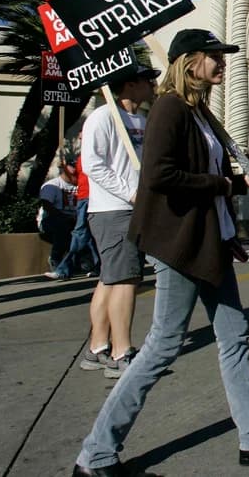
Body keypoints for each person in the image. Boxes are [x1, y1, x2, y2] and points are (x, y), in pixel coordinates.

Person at [73, 29, 249, 475]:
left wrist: (240, 182)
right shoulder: (168, 108)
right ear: (189, 61)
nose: (223, 63)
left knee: (235, 337)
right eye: (215, 56)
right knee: (162, 346)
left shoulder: (198, 112)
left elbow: (206, 173)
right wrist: (224, 184)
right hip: (180, 245)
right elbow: (160, 176)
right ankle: (96, 454)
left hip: (211, 242)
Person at [76, 65, 158, 379]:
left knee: (110, 279)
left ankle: (97, 348)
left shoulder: (141, 120)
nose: (153, 84)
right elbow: (92, 165)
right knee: (125, 279)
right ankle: (121, 352)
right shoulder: (102, 117)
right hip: (113, 211)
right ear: (131, 84)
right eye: (147, 80)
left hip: (134, 210)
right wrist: (130, 193)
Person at [48, 154, 100, 280]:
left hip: (91, 197)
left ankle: (63, 269)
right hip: (83, 197)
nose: (80, 139)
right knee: (87, 236)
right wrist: (65, 167)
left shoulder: (95, 153)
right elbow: (74, 178)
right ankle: (99, 267)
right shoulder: (80, 158)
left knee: (80, 233)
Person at [39, 160, 78, 273]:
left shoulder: (81, 185)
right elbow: (47, 206)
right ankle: (55, 258)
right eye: (71, 169)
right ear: (64, 170)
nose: (75, 172)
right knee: (62, 226)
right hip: (51, 220)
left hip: (75, 219)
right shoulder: (52, 185)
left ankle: (87, 262)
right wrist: (65, 218)